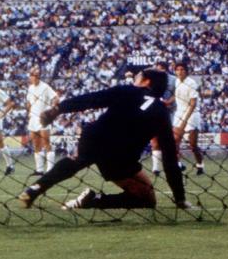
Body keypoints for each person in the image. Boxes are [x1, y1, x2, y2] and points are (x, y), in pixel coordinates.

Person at [17, 69, 190, 211]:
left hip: (96, 137)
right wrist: (179, 197)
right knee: (147, 199)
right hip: (120, 156)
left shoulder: (127, 90)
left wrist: (58, 109)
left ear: (146, 82)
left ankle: (36, 188)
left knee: (76, 161)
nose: (135, 78)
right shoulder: (161, 112)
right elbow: (169, 156)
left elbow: (91, 99)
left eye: (139, 76)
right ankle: (93, 200)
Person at [25, 67, 59, 175]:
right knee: (36, 143)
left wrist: (51, 109)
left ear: (38, 76)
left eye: (36, 75)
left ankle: (50, 169)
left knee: (46, 143)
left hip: (43, 118)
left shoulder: (45, 87)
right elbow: (29, 102)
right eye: (32, 75)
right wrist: (29, 112)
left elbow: (56, 98)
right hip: (33, 118)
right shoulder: (30, 88)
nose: (34, 77)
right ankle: (39, 169)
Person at [174, 62, 205, 175]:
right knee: (174, 142)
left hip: (192, 115)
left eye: (182, 69)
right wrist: (167, 102)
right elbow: (176, 95)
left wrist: (184, 121)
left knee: (193, 145)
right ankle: (179, 165)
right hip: (179, 113)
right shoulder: (176, 81)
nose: (180, 72)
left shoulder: (191, 83)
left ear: (186, 71)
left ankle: (200, 166)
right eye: (178, 70)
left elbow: (193, 104)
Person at [150, 61, 177, 176]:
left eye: (160, 69)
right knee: (155, 140)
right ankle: (156, 168)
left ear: (165, 69)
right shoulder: (152, 79)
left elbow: (178, 93)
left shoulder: (174, 80)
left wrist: (168, 102)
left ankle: (175, 164)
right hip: (156, 111)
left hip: (171, 111)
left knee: (172, 140)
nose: (158, 71)